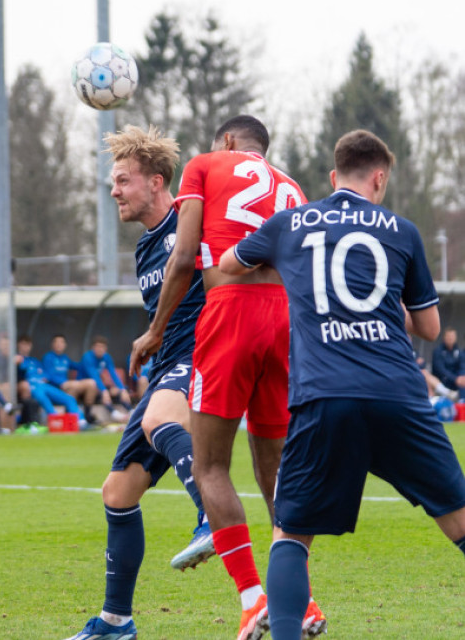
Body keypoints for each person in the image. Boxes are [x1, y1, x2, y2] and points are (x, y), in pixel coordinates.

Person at [218, 129, 465, 640]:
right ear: (379, 178)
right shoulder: (401, 230)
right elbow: (431, 330)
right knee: (458, 519)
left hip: (323, 396)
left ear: (333, 177)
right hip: (397, 395)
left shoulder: (288, 225)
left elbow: (228, 264)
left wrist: (282, 267)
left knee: (290, 534)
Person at [130, 115, 322, 639]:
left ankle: (253, 597)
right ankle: (300, 603)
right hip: (284, 318)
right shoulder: (291, 185)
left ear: (228, 142)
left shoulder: (205, 165)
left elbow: (185, 257)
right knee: (275, 470)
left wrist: (155, 330)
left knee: (211, 464)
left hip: (230, 311)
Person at [67, 125, 210, 640]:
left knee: (158, 419)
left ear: (156, 181)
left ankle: (211, 515)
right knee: (118, 491)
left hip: (204, 355)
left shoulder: (193, 218)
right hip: (168, 367)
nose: (113, 191)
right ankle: (116, 622)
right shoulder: (147, 247)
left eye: (122, 180)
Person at [10, 338, 81, 419]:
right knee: (41, 395)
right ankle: (55, 418)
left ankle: (80, 421)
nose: (25, 347)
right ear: (18, 345)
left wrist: (45, 377)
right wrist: (15, 363)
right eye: (23, 344)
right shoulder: (16, 359)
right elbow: (18, 373)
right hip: (32, 386)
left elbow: (46, 374)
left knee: (69, 399)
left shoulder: (35, 361)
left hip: (43, 385)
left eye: (27, 344)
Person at [42, 335, 98, 408]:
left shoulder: (65, 357)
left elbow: (77, 366)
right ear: (52, 344)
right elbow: (49, 375)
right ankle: (71, 412)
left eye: (61, 342)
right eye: (56, 342)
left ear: (65, 345)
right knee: (73, 386)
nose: (59, 344)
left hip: (68, 384)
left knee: (91, 383)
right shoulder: (48, 357)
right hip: (56, 387)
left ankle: (88, 413)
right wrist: (62, 382)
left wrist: (88, 361)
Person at [80, 336, 132, 410]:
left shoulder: (106, 357)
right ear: (93, 348)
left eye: (102, 347)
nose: (100, 349)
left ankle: (130, 411)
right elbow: (94, 376)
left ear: (105, 349)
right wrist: (104, 390)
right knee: (102, 391)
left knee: (116, 391)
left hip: (97, 385)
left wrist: (122, 389)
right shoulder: (87, 357)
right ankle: (113, 413)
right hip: (86, 386)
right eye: (97, 347)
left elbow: (113, 374)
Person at [431, 328, 465, 392]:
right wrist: (455, 379)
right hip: (441, 382)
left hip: (456, 382)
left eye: (452, 336)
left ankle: (462, 399)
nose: (450, 339)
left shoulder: (459, 351)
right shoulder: (438, 351)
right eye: (448, 336)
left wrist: (462, 378)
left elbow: (462, 366)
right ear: (444, 337)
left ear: (455, 338)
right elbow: (440, 370)